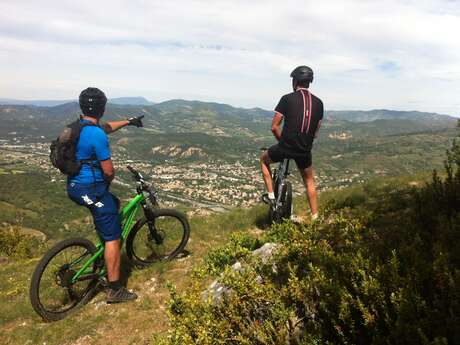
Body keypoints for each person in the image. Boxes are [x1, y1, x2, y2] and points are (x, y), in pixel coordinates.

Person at [67, 87, 144, 303]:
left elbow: (105, 128)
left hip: (73, 187)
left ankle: (103, 253)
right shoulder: (97, 135)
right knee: (113, 237)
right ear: (102, 107)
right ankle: (114, 290)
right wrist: (106, 181)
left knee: (114, 205)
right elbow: (109, 171)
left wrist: (129, 121)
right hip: (90, 190)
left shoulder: (79, 127)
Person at [260, 66, 324, 221]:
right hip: (304, 150)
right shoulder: (319, 103)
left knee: (263, 159)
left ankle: (270, 196)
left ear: (295, 81)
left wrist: (283, 142)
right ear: (309, 82)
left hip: (286, 147)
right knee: (309, 181)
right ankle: (315, 218)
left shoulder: (287, 99)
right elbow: (315, 132)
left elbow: (274, 127)